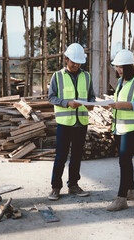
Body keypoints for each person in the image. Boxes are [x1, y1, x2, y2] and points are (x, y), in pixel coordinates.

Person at [47, 43, 96, 201]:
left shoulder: (86, 76)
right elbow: (51, 97)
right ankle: (55, 187)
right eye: (73, 62)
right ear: (66, 59)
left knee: (76, 155)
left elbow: (91, 97)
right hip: (64, 123)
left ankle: (73, 185)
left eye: (78, 62)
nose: (76, 65)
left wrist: (91, 104)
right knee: (60, 156)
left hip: (81, 122)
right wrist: (66, 103)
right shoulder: (57, 76)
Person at [106, 49, 134, 211]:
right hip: (120, 127)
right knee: (125, 160)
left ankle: (121, 198)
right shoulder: (121, 82)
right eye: (117, 67)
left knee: (124, 160)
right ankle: (131, 191)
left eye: (121, 67)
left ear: (129, 66)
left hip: (132, 128)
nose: (118, 70)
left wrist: (121, 105)